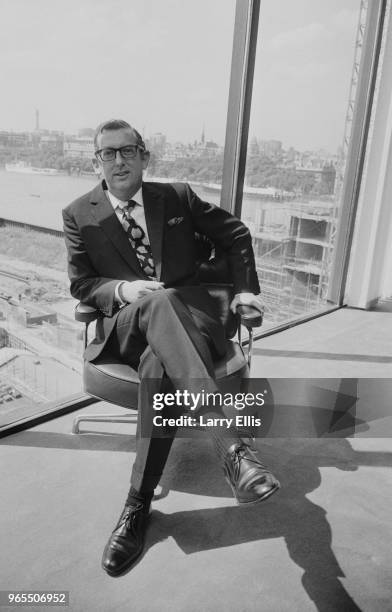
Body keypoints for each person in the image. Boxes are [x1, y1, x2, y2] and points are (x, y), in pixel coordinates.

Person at [62, 119, 280, 577]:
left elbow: (236, 234)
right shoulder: (78, 212)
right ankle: (232, 450)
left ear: (145, 156)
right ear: (96, 161)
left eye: (127, 151)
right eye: (108, 153)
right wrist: (124, 291)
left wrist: (243, 292)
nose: (118, 161)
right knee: (156, 304)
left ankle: (136, 506)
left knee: (158, 362)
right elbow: (82, 283)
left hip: (186, 322)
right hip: (125, 324)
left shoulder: (177, 197)